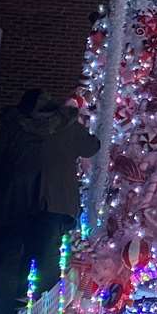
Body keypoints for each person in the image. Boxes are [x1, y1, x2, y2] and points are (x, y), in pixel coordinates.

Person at [0, 89, 76, 306]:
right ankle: (16, 293)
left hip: (17, 195)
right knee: (26, 247)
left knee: (4, 245)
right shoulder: (58, 127)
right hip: (39, 197)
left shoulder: (15, 127)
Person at [38, 98, 100, 286]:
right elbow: (91, 146)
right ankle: (45, 286)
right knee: (51, 243)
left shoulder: (36, 127)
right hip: (58, 194)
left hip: (34, 192)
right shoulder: (70, 129)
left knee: (38, 242)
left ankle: (26, 290)